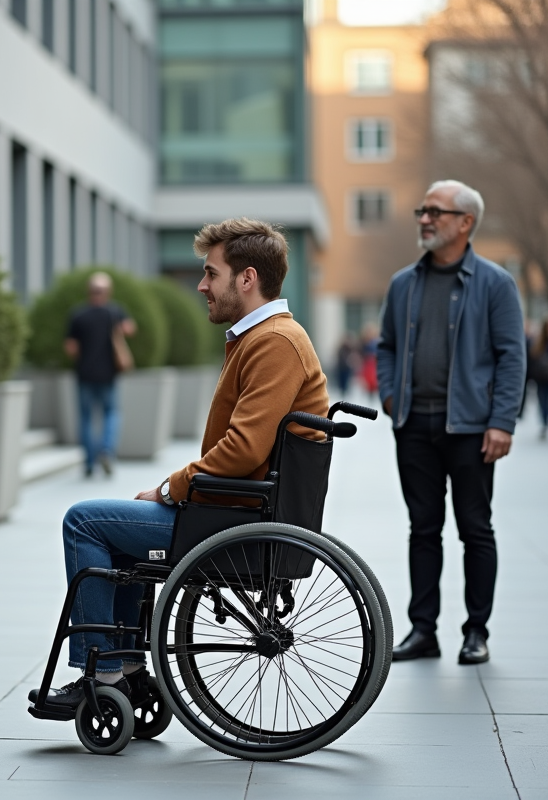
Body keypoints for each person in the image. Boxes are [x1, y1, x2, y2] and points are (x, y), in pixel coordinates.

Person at [31, 218, 328, 710]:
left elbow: (244, 450)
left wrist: (172, 489)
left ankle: (100, 672)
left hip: (234, 517)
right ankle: (123, 668)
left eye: (211, 273)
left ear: (247, 278)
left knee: (84, 522)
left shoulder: (275, 342)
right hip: (234, 508)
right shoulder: (265, 337)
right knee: (115, 531)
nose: (202, 285)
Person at [377, 180, 525, 666]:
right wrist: (391, 394)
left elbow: (511, 357)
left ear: (466, 222)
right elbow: (387, 346)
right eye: (423, 210)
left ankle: (476, 631)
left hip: (471, 429)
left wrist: (501, 421)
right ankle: (423, 631)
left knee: (475, 529)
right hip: (414, 424)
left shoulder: (495, 283)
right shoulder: (404, 284)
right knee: (423, 529)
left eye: (436, 211)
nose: (424, 217)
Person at [65, 273, 136, 477]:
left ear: (89, 291)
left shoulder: (78, 314)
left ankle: (88, 463)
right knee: (111, 414)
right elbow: (130, 329)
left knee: (86, 418)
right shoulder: (114, 311)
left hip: (84, 374)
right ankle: (106, 450)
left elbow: (70, 348)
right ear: (108, 292)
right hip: (108, 374)